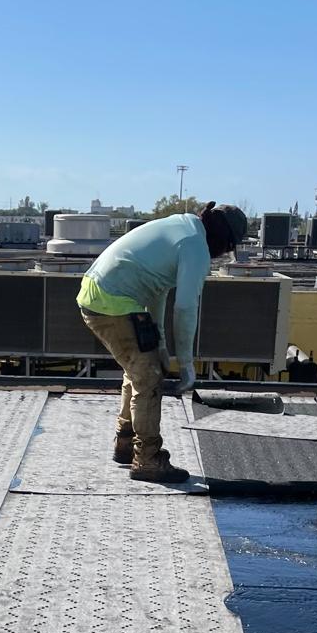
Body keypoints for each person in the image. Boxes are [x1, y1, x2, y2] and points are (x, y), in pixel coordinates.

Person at [77, 203, 248, 485]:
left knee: (140, 366)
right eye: (227, 248)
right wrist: (186, 364)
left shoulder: (180, 225)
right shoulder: (195, 246)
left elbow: (156, 291)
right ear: (224, 240)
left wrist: (161, 344)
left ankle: (126, 442)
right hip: (113, 302)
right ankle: (147, 459)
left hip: (99, 294)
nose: (221, 256)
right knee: (148, 376)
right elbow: (185, 308)